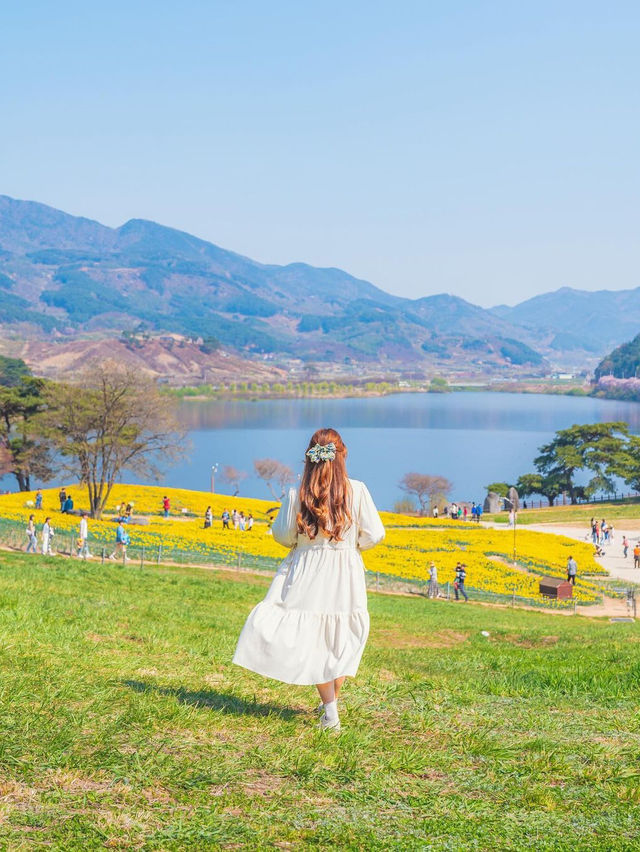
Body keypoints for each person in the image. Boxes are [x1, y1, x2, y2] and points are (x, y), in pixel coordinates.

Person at [233, 427, 385, 733]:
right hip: (345, 571)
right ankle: (330, 708)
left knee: (316, 637)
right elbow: (376, 534)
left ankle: (330, 708)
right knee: (340, 636)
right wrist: (352, 546)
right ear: (342, 456)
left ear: (309, 457)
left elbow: (282, 535)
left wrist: (305, 545)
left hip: (307, 571)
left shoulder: (296, 494)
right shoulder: (358, 491)